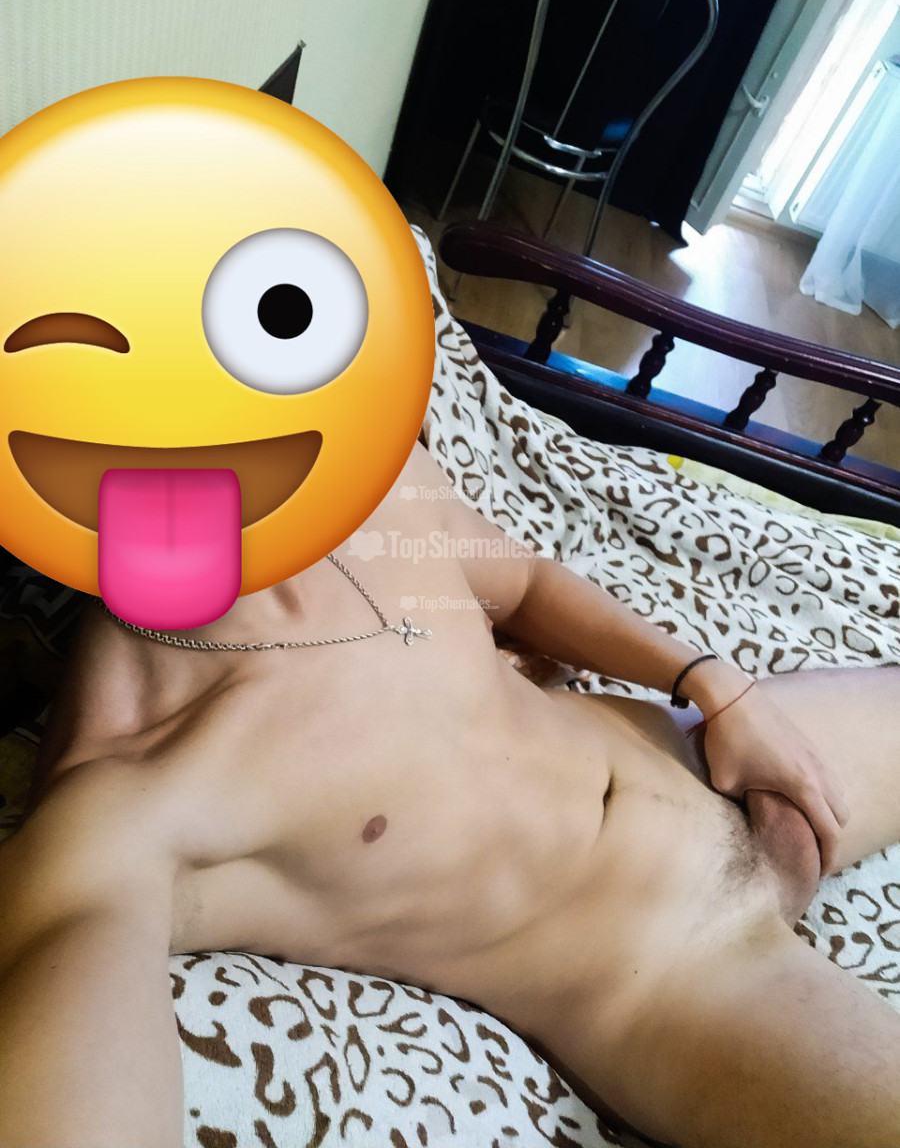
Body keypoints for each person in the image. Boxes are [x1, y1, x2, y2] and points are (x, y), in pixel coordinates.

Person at [0, 440, 898, 1148]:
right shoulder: (130, 791)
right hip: (679, 970)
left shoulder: (361, 471)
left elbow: (527, 584)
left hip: (698, 749)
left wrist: (715, 686)